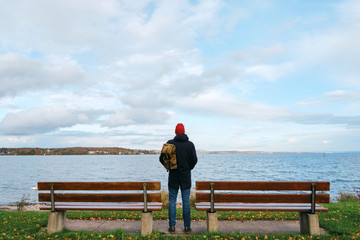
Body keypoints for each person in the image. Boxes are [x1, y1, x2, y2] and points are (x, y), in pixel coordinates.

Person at [159, 123, 198, 234]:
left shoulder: (170, 143)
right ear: (184, 131)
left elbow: (161, 158)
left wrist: (169, 167)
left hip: (173, 176)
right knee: (186, 201)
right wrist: (188, 168)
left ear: (176, 132)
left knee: (172, 200)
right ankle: (187, 227)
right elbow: (194, 160)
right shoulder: (190, 145)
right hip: (186, 177)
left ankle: (171, 227)